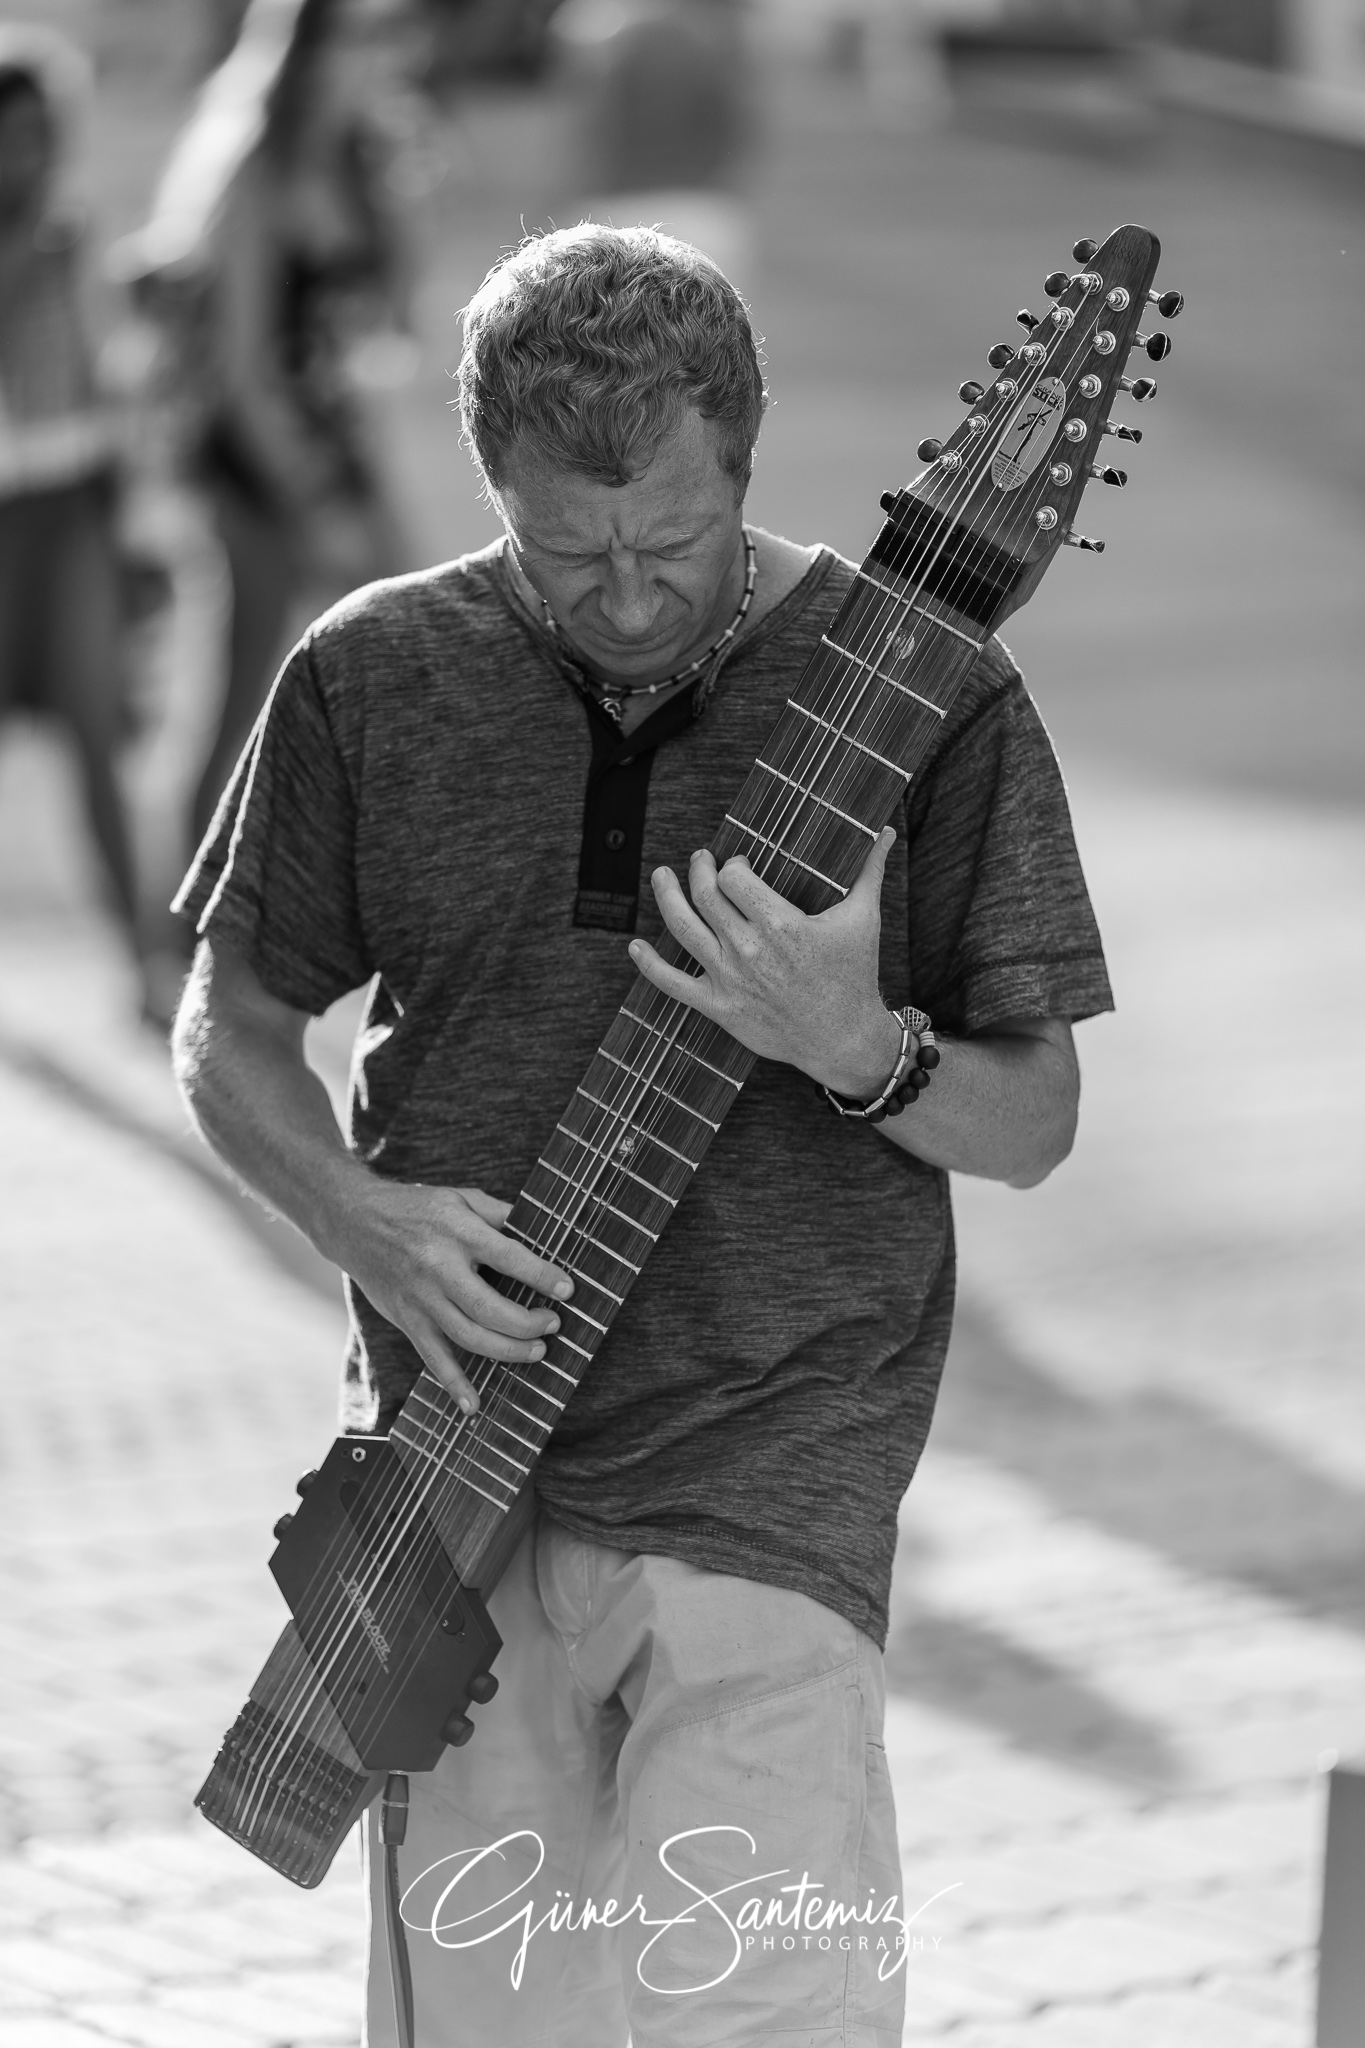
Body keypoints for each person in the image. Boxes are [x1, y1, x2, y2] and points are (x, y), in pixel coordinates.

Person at [171, 225, 1113, 2047]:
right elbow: (230, 1024)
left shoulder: (935, 700)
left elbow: (1040, 1117)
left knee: (765, 2017)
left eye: (670, 547)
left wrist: (858, 1045)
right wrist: (355, 1213)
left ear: (746, 460)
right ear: (488, 483)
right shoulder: (375, 673)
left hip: (773, 1474)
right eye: (564, 551)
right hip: (455, 1503)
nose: (618, 595)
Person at [124, 0, 418, 883]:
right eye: (358, 40)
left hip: (334, 452)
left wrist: (403, 191)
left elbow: (392, 326)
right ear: (307, 52)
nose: (375, 60)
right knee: (232, 708)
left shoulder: (357, 163)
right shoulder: (247, 165)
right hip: (247, 463)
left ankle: (377, 908)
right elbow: (244, 372)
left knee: (412, 665)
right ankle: (176, 931)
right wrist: (311, 502)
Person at [0, 35, 136, 954]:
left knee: (96, 727)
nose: (26, 156)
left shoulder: (73, 226)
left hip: (74, 496)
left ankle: (142, 950)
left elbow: (107, 364)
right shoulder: (32, 238)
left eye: (38, 135)